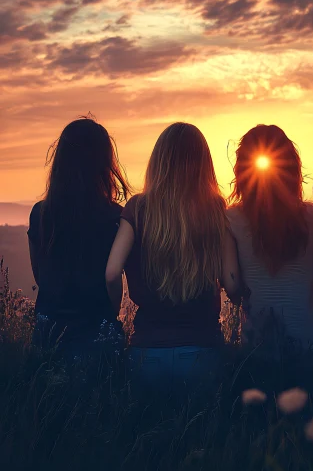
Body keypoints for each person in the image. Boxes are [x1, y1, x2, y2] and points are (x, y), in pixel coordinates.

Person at [105, 122, 241, 390]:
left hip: (147, 352)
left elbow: (111, 272)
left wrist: (114, 315)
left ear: (159, 161)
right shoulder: (214, 209)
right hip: (203, 350)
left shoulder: (138, 208)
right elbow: (232, 281)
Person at [28, 117, 130, 356]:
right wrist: (111, 313)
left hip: (49, 338)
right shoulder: (115, 217)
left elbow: (40, 275)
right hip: (99, 336)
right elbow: (113, 277)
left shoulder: (40, 214)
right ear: (105, 164)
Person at [227, 124, 313, 355]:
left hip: (257, 349)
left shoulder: (231, 219)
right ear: (292, 170)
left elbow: (231, 286)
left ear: (241, 171)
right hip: (308, 348)